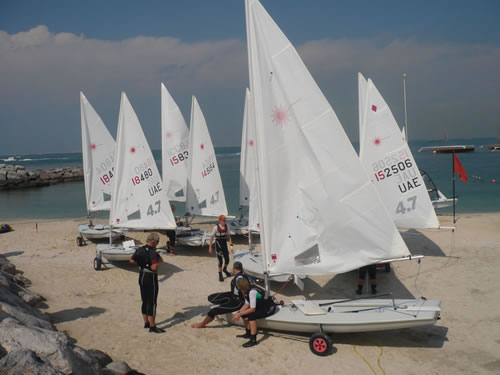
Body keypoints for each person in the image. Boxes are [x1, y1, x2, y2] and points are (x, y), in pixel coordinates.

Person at [191, 261, 249, 328]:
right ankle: (224, 305)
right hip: (232, 295)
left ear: (234, 269)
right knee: (211, 298)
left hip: (238, 302)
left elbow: (243, 291)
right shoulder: (242, 275)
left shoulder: (239, 278)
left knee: (213, 311)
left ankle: (202, 324)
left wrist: (245, 306)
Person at [129, 232, 165, 333]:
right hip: (150, 277)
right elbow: (154, 266)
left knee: (144, 300)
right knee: (152, 302)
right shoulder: (153, 252)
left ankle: (146, 323)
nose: (157, 244)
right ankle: (152, 327)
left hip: (141, 276)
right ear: (153, 242)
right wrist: (150, 265)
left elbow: (131, 261)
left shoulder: (140, 249)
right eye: (157, 243)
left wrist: (142, 263)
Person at [231, 278, 276, 348]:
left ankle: (253, 340)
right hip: (261, 305)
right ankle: (248, 333)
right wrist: (239, 312)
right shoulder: (247, 289)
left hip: (269, 307)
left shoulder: (252, 292)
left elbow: (252, 309)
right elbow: (247, 304)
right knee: (244, 314)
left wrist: (240, 314)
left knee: (251, 316)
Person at [208, 215, 233, 282]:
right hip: (218, 245)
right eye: (223, 220)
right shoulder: (216, 227)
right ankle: (220, 274)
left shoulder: (227, 227)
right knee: (220, 261)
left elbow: (229, 237)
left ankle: (224, 269)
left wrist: (231, 247)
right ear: (220, 220)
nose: (225, 222)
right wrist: (210, 247)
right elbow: (212, 237)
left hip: (224, 244)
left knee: (227, 260)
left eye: (225, 220)